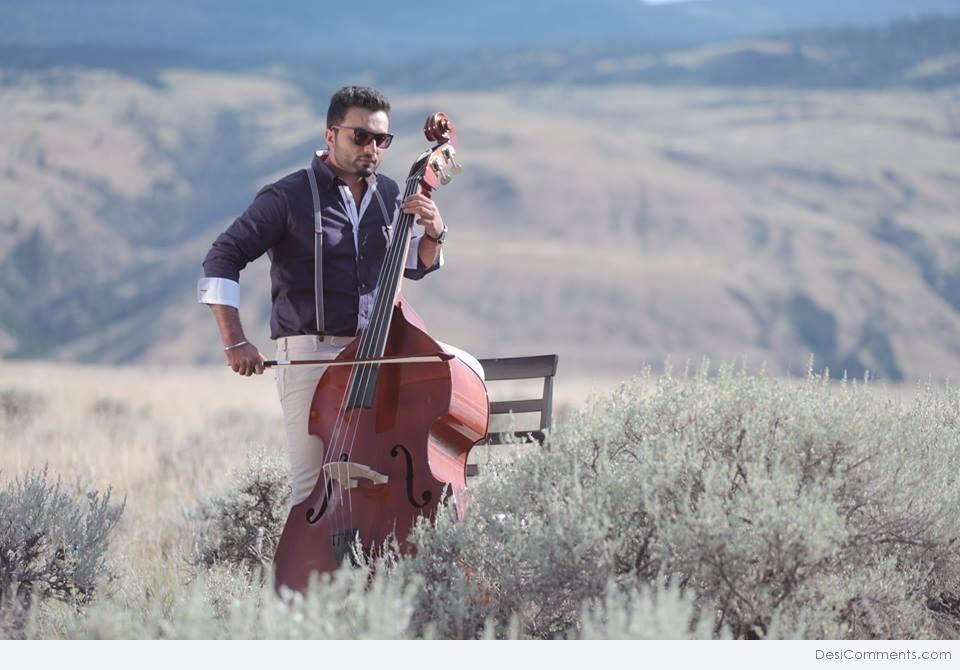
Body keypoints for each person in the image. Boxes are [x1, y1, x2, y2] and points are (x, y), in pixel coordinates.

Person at [197, 85, 481, 508]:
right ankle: (307, 575)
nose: (372, 148)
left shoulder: (391, 195)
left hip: (378, 359)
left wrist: (436, 232)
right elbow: (222, 256)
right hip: (312, 356)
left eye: (381, 140)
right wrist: (234, 340)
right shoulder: (287, 197)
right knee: (314, 492)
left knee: (381, 489)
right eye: (360, 137)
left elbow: (414, 268)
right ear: (331, 135)